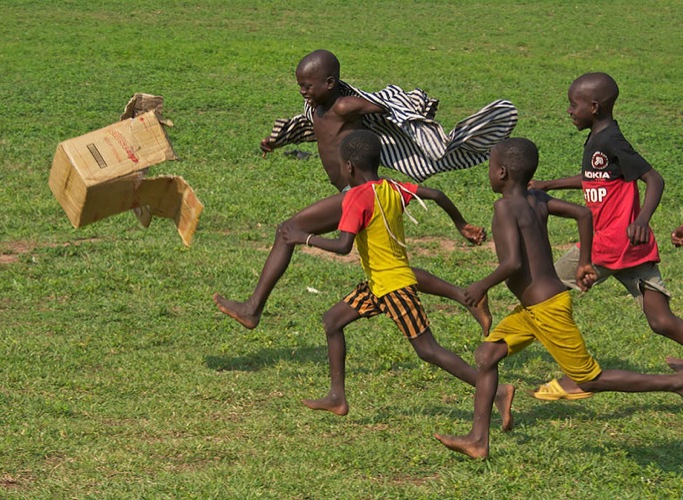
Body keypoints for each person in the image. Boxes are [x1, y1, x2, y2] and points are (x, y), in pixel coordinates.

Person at [214, 49, 517, 331]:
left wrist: (411, 108)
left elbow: (386, 107)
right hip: (359, 191)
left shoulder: (345, 105)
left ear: (331, 83)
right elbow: (319, 132)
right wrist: (278, 141)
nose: (303, 91)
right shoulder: (316, 106)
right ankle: (467, 296)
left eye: (308, 85)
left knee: (287, 230)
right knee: (392, 271)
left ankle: (253, 309)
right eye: (300, 85)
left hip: (355, 192)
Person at [433, 137, 683, 460]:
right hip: (533, 309)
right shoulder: (537, 198)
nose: (490, 174)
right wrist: (584, 261)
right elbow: (583, 213)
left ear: (503, 173)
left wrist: (482, 285)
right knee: (487, 355)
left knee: (591, 380)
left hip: (546, 309)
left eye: (491, 168)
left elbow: (513, 263)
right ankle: (478, 439)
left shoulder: (504, 207)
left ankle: (674, 384)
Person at [282, 130, 515, 422]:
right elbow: (437, 194)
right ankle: (336, 397)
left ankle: (498, 392)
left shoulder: (356, 198)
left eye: (341, 166)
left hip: (393, 287)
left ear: (349, 167)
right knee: (332, 321)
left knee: (429, 350)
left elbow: (343, 246)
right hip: (378, 285)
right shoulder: (392, 187)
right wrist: (461, 224)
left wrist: (304, 238)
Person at [529, 72, 683, 399]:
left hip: (611, 244)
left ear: (594, 107)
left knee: (543, 291)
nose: (569, 111)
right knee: (661, 321)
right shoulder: (599, 140)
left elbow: (654, 179)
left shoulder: (612, 140)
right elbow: (593, 178)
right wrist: (548, 185)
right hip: (630, 249)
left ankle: (574, 375)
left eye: (574, 104)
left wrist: (642, 218)